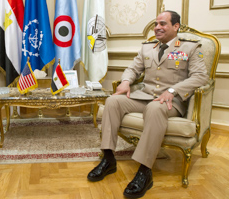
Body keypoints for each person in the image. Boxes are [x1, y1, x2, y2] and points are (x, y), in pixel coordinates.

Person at [87, 10, 208, 198]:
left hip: (171, 102)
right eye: (156, 24)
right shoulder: (147, 48)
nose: (157, 27)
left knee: (154, 108)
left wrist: (173, 90)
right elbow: (132, 68)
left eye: (163, 24)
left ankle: (145, 171)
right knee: (112, 101)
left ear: (176, 26)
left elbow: (200, 77)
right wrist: (126, 81)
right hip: (145, 96)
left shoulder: (190, 48)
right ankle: (108, 159)